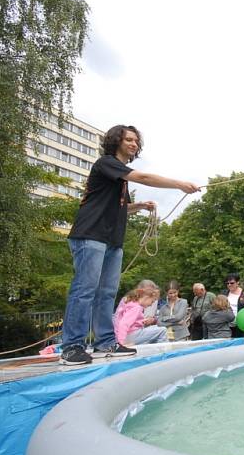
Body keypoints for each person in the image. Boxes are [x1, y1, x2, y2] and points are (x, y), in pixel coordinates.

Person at [60, 125, 200, 365]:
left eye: (136, 141)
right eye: (129, 139)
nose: (134, 144)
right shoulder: (106, 163)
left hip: (112, 241)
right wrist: (179, 184)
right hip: (90, 235)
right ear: (116, 141)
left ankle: (105, 342)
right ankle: (72, 346)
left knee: (106, 293)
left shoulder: (119, 181)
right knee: (85, 290)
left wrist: (139, 207)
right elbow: (142, 177)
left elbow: (118, 207)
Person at [222, 273, 244, 338]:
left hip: (243, 325)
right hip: (228, 326)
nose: (229, 285)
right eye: (227, 283)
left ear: (237, 283)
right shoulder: (224, 293)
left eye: (232, 283)